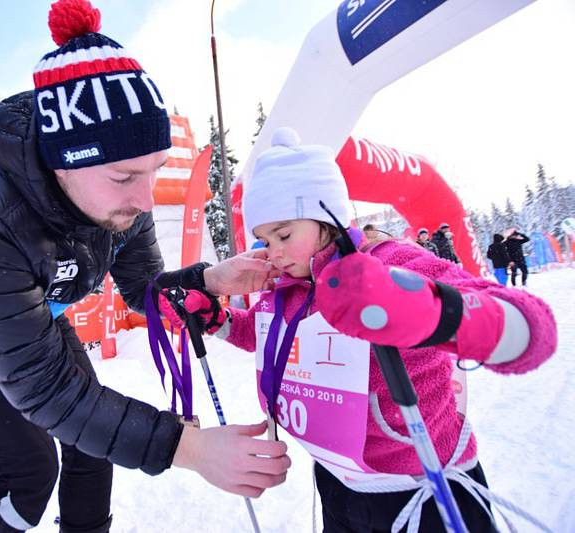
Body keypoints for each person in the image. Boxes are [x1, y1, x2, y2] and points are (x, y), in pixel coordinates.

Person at [0, 2, 289, 532]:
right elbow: (45, 390)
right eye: (126, 176)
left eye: (154, 170)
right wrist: (188, 447)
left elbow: (141, 288)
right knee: (28, 473)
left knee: (92, 447)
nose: (146, 199)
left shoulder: (123, 201)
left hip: (38, 302)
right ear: (64, 161)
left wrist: (206, 279)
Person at [158, 127, 557, 532]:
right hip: (339, 481)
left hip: (422, 485)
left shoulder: (390, 264)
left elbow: (532, 327)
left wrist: (420, 309)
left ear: (325, 219)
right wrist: (219, 321)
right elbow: (272, 339)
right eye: (263, 238)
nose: (272, 251)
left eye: (284, 234)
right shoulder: (285, 286)